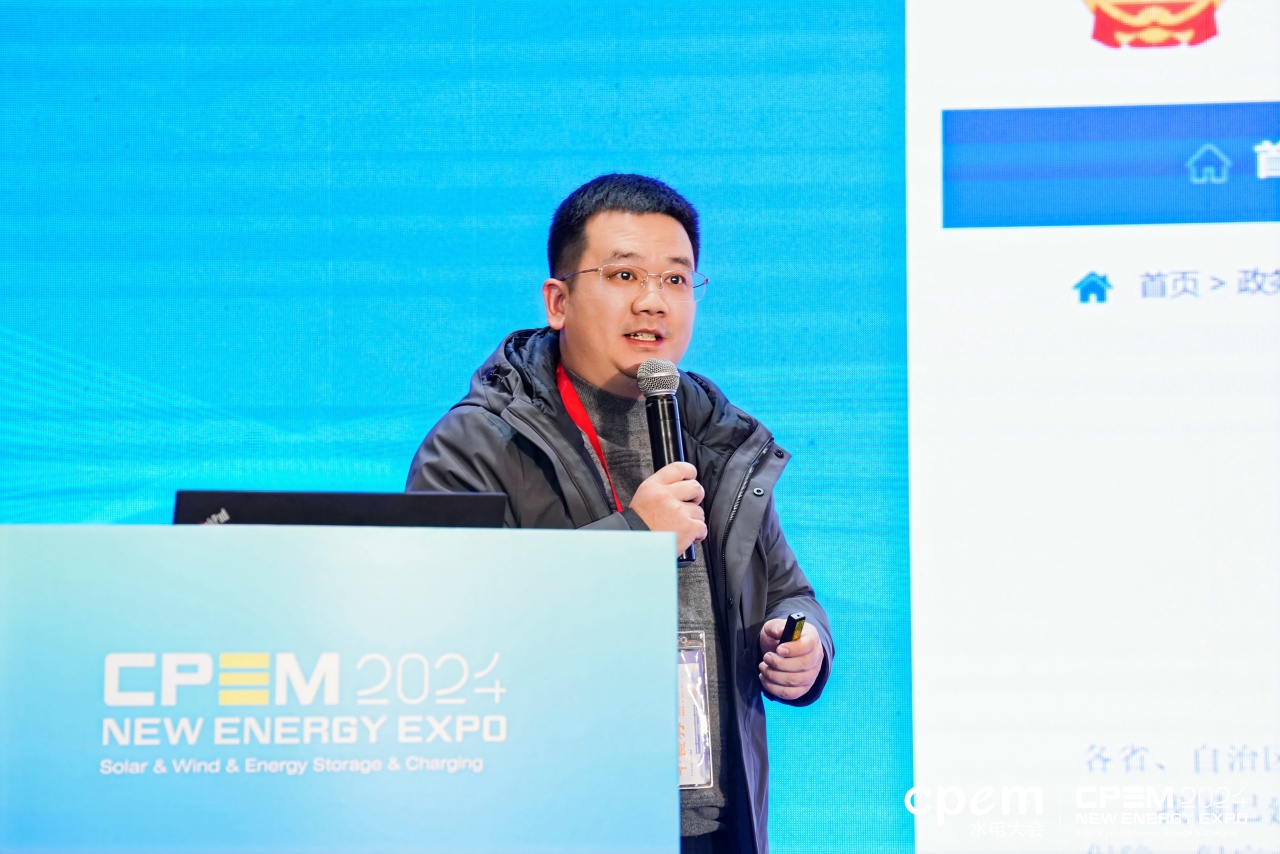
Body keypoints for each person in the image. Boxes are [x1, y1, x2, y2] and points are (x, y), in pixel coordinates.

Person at [406, 174, 833, 854]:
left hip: (712, 824)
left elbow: (787, 590)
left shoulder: (722, 439)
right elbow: (442, 637)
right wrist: (633, 540)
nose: (652, 301)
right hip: (551, 824)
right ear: (558, 301)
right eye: (624, 274)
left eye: (675, 279)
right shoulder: (478, 443)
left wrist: (802, 643)